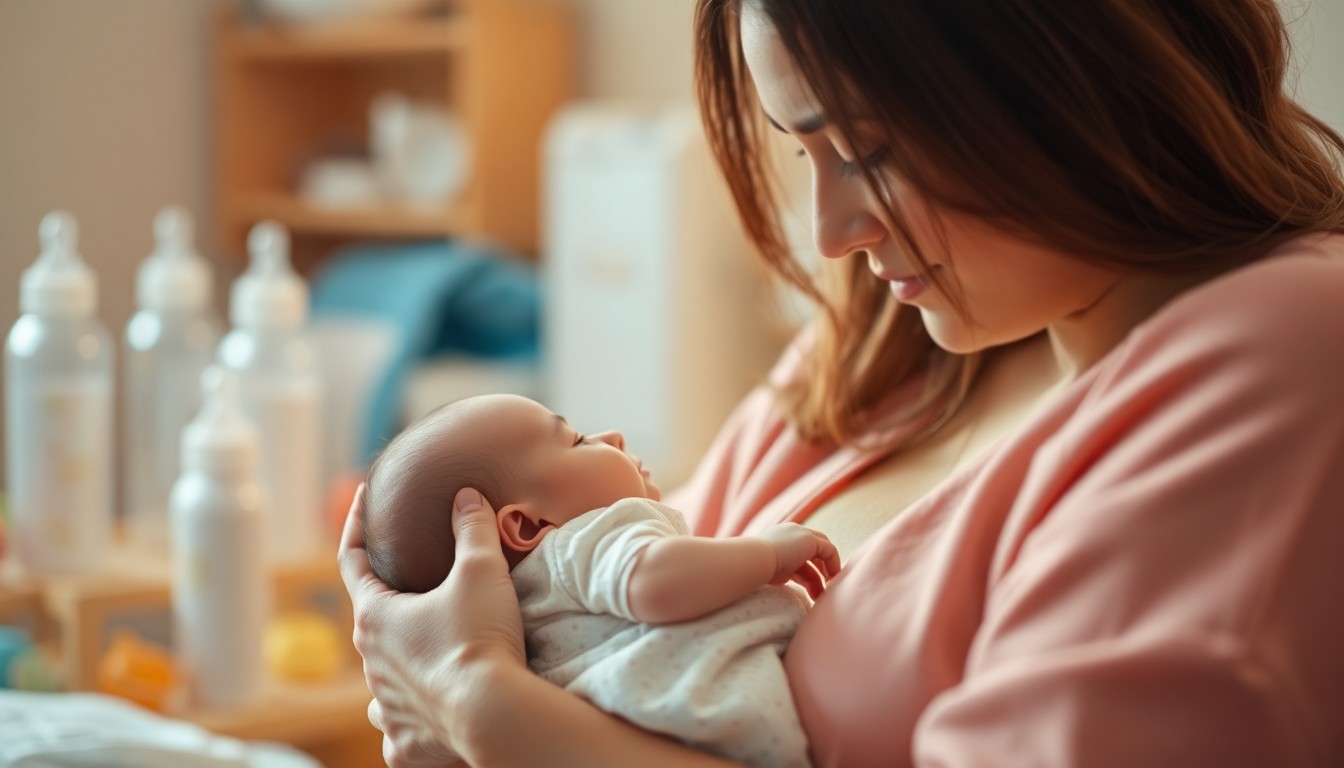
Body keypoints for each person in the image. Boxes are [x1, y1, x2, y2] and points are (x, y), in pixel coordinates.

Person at [340, 0, 1344, 765]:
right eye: (804, 150)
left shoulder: (1286, 350)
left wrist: (476, 702)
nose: (832, 232)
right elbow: (597, 632)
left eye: (868, 150)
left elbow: (511, 701)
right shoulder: (884, 355)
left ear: (1069, 82)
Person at [359, 393, 838, 767]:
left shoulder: (522, 619)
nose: (612, 437)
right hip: (701, 726)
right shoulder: (584, 541)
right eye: (577, 441)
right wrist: (768, 552)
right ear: (527, 526)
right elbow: (657, 581)